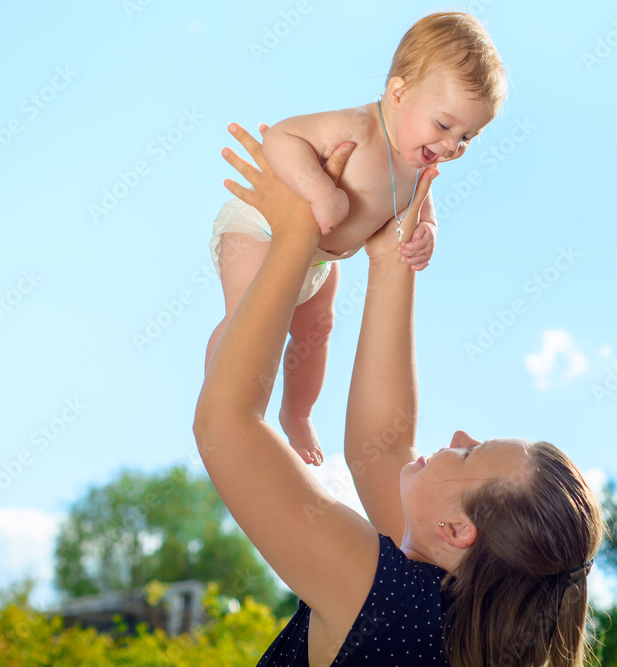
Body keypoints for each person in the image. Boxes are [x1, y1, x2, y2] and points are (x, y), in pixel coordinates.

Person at [194, 124, 605, 666]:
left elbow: (226, 425)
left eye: (469, 453)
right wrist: (393, 257)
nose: (458, 435)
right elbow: (381, 449)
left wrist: (295, 232)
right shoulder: (441, 613)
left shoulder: (393, 606)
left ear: (457, 530)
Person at [204, 11, 507, 467]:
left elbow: (422, 207)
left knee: (316, 331)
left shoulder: (418, 166)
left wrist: (428, 231)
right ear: (398, 93)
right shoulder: (358, 128)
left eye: (467, 138)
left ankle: (297, 412)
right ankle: (220, 399)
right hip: (260, 229)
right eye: (444, 126)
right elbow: (284, 137)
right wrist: (318, 190)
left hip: (318, 259)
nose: (451, 146)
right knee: (250, 316)